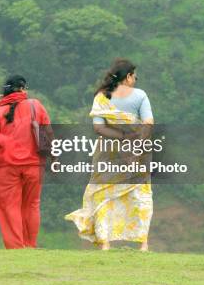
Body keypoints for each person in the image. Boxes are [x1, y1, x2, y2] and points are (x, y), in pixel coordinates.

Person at [65, 58, 154, 251]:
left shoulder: (102, 97)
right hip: (136, 151)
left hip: (107, 152)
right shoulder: (140, 95)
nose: (136, 79)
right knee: (139, 195)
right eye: (134, 75)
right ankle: (143, 244)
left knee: (103, 195)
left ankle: (105, 243)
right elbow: (148, 122)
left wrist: (121, 136)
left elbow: (98, 128)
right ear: (128, 77)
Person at [0, 75, 50, 249]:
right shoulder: (36, 106)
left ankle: (16, 247)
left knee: (10, 206)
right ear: (22, 89)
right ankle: (30, 244)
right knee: (32, 205)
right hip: (34, 166)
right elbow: (47, 134)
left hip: (8, 167)